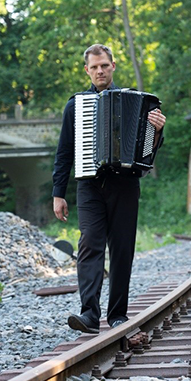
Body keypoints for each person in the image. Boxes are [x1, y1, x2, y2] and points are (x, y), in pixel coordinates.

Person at [52, 44, 165, 334]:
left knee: (122, 248)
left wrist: (157, 130)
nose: (100, 71)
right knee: (90, 243)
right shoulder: (75, 105)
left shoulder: (139, 102)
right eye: (94, 67)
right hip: (89, 185)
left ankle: (117, 315)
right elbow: (64, 152)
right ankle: (89, 313)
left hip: (125, 184)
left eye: (104, 65)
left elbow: (148, 152)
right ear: (86, 70)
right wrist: (58, 193)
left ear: (113, 65)